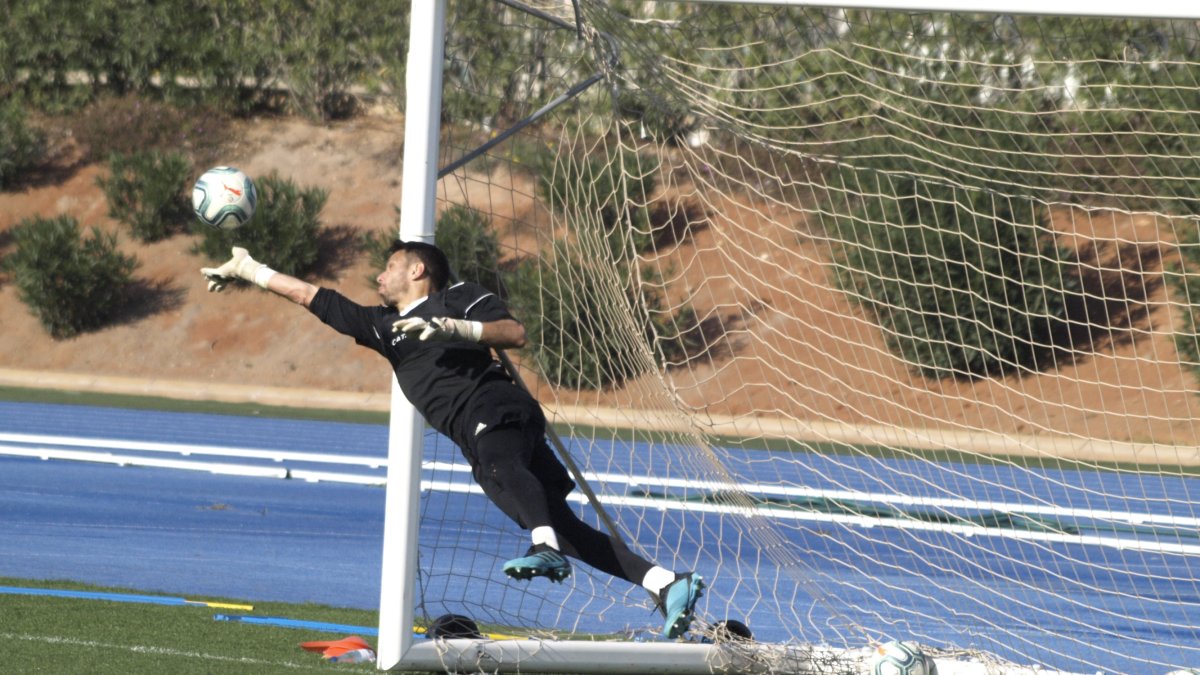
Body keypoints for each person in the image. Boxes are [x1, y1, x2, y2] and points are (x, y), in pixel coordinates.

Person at [200, 241, 705, 638]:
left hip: (497, 409)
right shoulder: (383, 327)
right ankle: (664, 583)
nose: (379, 274)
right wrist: (251, 271)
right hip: (478, 436)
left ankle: (543, 546)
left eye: (389, 264)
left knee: (506, 476)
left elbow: (514, 332)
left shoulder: (456, 296)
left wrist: (452, 328)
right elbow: (314, 298)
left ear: (417, 270)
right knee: (566, 528)